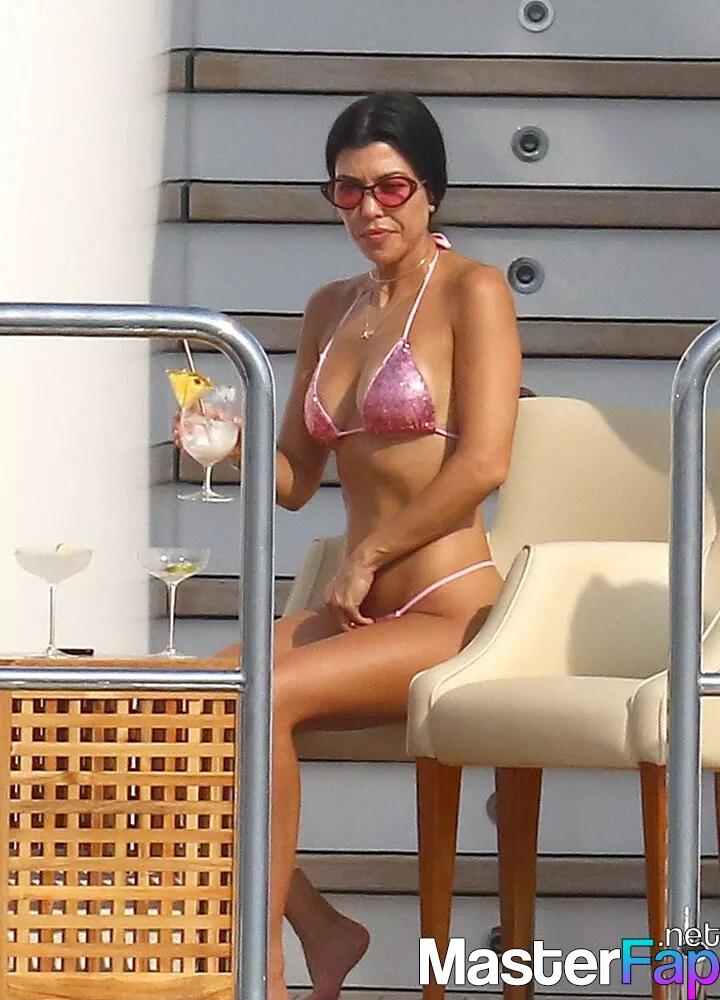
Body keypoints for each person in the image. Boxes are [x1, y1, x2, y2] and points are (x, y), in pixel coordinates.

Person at [216, 90, 522, 1000]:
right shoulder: (330, 307)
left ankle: (260, 972)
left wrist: (367, 553)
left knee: (262, 698)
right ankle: (322, 929)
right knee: (193, 700)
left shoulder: (473, 290)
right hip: (362, 612)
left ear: (431, 190)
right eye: (347, 191)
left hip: (448, 606)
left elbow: (484, 463)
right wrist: (229, 440)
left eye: (390, 188)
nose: (369, 210)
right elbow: (295, 479)